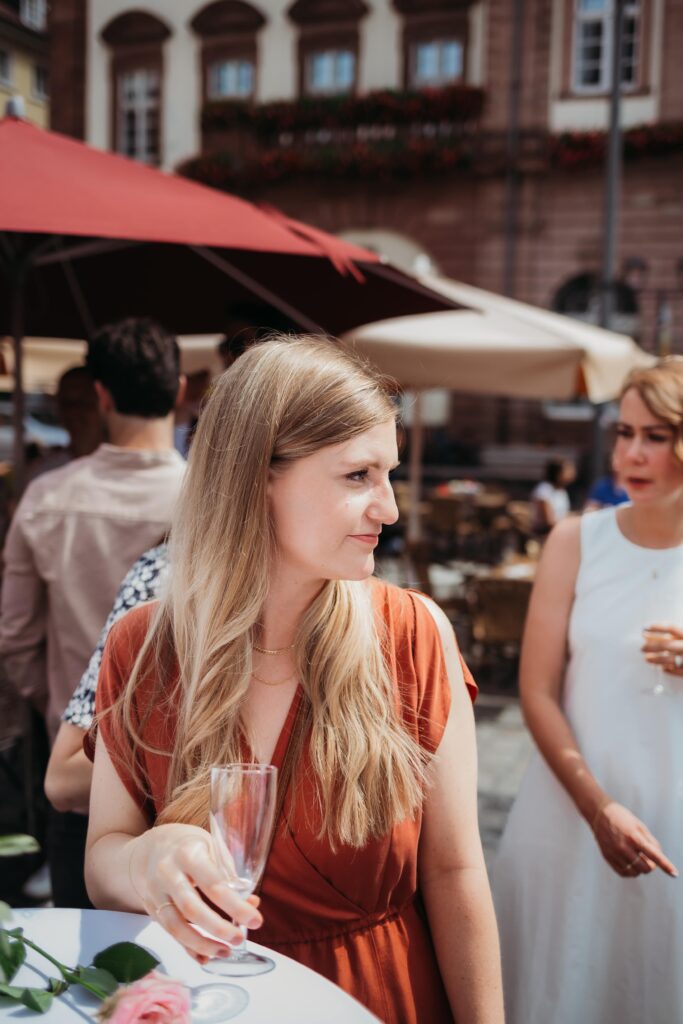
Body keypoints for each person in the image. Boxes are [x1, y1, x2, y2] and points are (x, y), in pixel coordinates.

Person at [85, 337, 504, 1024]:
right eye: (357, 476)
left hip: (375, 1000)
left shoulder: (412, 634)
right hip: (207, 1000)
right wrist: (144, 861)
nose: (389, 509)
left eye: (388, 474)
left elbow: (455, 875)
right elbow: (103, 856)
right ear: (256, 476)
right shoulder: (144, 645)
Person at [492, 356, 683, 1024]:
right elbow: (536, 690)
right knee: (561, 989)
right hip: (569, 816)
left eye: (655, 436)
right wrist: (597, 808)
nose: (631, 453)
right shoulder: (575, 541)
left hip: (674, 827)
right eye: (624, 432)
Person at [0, 316, 186, 908]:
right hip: (184, 786)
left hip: (80, 778)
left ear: (101, 394)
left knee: (87, 983)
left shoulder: (47, 496)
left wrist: (58, 706)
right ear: (180, 390)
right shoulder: (213, 502)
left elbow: (14, 637)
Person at [531, 457, 575, 533]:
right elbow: (549, 521)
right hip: (545, 535)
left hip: (559, 531)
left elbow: (564, 514)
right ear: (558, 474)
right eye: (567, 470)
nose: (571, 473)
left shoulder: (562, 491)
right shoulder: (544, 490)